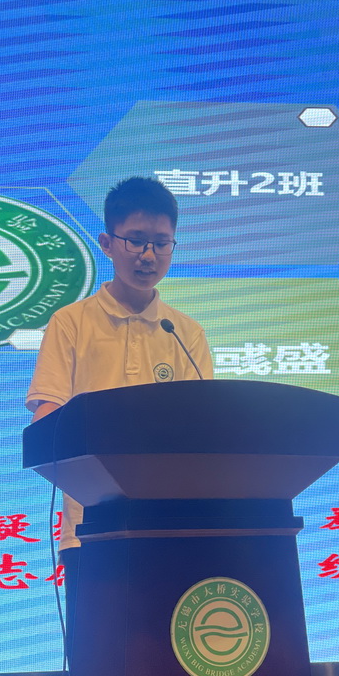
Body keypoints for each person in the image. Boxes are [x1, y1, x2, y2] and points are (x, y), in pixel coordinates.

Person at [26, 176, 213, 651]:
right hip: (90, 529)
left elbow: (205, 430)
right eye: (136, 240)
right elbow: (47, 415)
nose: (148, 255)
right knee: (98, 663)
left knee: (168, 661)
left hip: (169, 527)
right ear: (108, 243)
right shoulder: (71, 322)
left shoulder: (184, 333)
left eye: (161, 243)